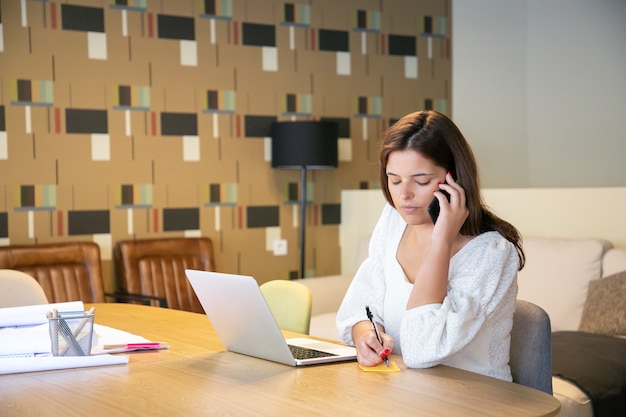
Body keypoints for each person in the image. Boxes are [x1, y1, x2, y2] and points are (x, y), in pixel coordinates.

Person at [336, 110, 525, 381]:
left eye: (421, 181)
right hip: (403, 390)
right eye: (394, 179)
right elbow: (362, 305)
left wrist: (442, 241)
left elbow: (420, 350)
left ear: (454, 178)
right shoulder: (393, 221)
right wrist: (366, 334)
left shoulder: (490, 253)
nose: (404, 195)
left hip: (473, 399)